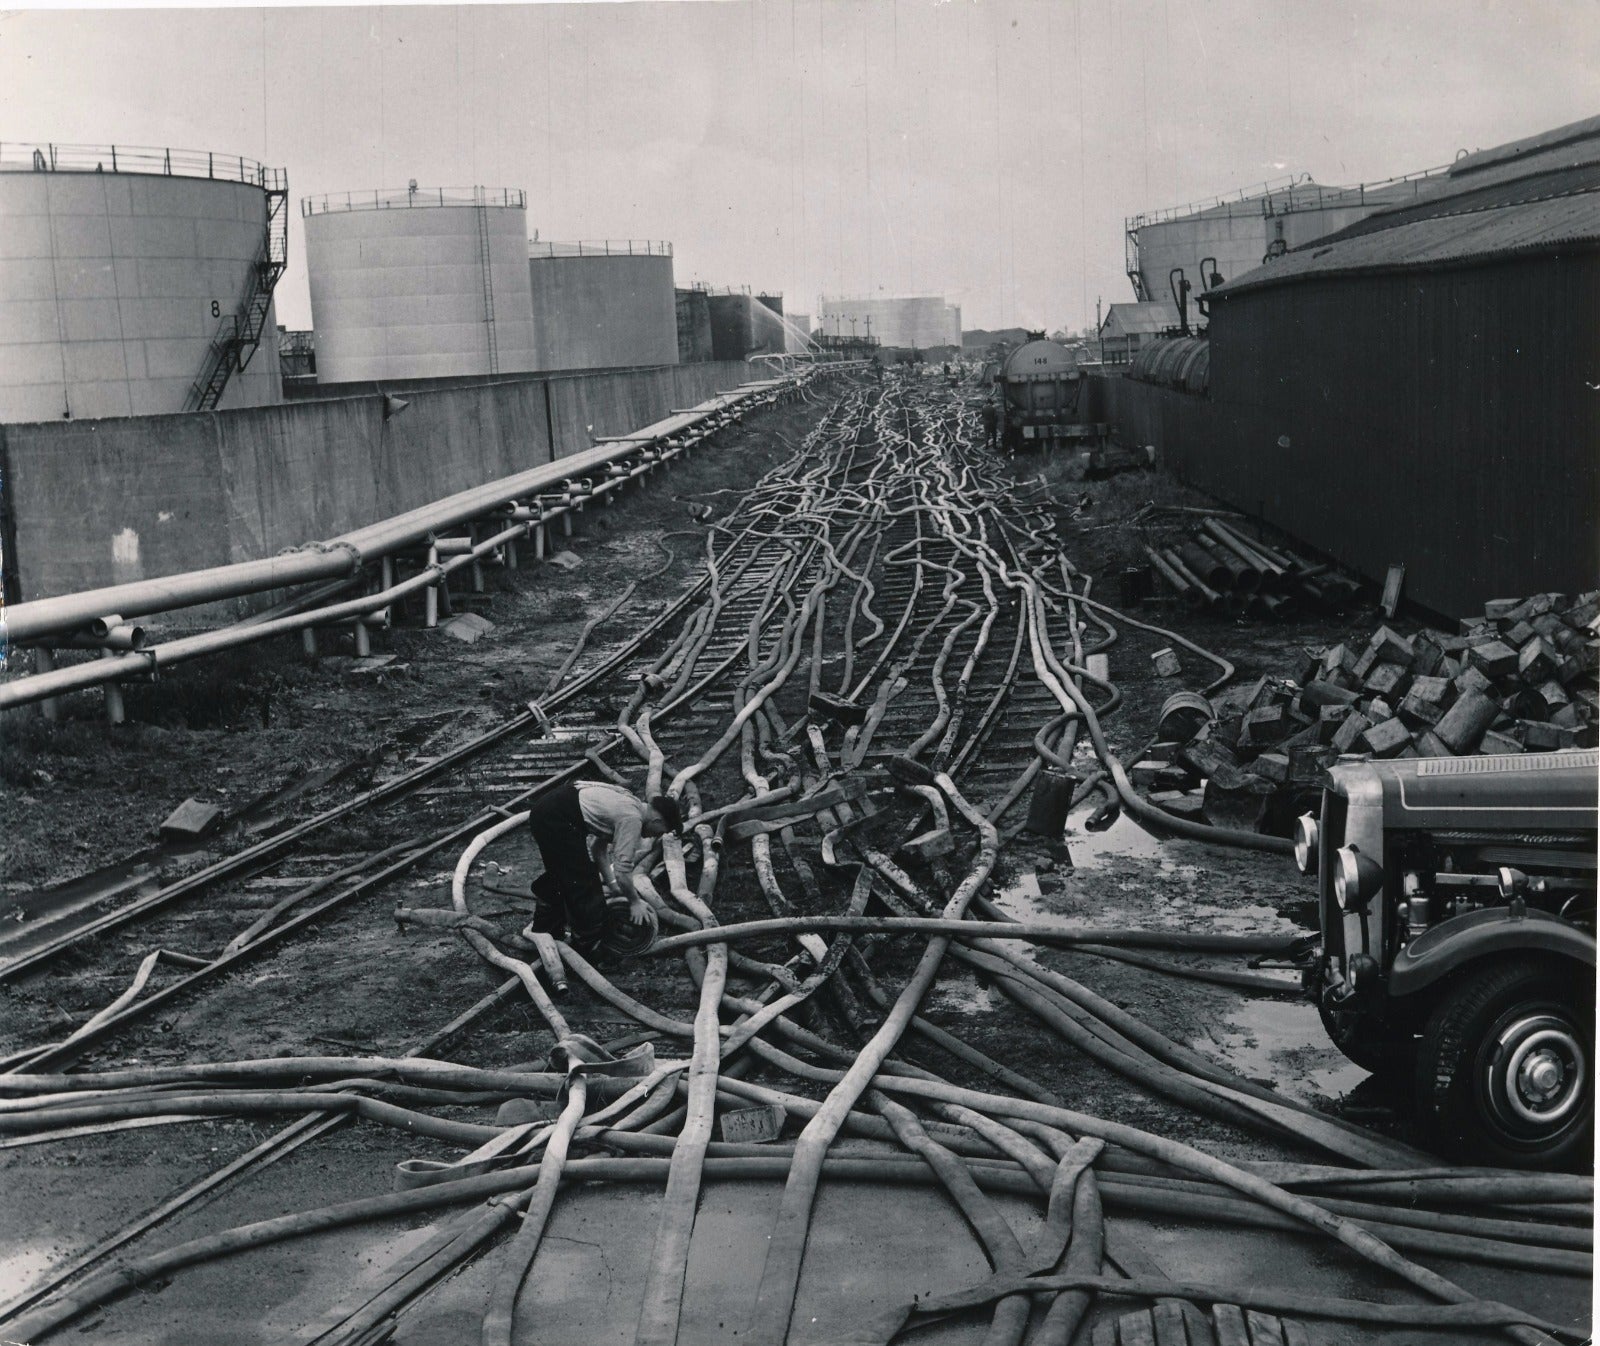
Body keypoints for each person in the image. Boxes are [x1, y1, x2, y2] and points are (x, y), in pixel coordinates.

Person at [526, 779, 681, 959]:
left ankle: (546, 931)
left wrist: (613, 885)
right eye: (661, 831)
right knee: (584, 883)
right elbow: (623, 872)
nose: (656, 836)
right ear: (657, 819)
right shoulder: (632, 819)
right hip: (557, 815)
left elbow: (598, 850)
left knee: (564, 874)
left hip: (549, 809)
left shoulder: (632, 803)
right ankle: (590, 948)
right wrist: (634, 902)